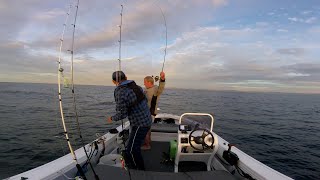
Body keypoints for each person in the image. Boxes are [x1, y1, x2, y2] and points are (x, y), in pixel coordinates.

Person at [107, 71, 152, 170]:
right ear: (126, 77)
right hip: (147, 119)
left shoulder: (120, 92)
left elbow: (122, 114)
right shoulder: (137, 87)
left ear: (114, 82)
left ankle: (139, 170)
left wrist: (112, 118)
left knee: (131, 150)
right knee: (133, 146)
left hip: (140, 124)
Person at [141, 71, 166, 150]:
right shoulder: (146, 89)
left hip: (150, 113)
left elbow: (161, 88)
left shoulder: (155, 89)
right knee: (148, 129)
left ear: (149, 82)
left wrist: (162, 78)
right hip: (145, 112)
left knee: (145, 129)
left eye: (145, 82)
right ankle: (149, 141)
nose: (144, 83)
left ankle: (147, 145)